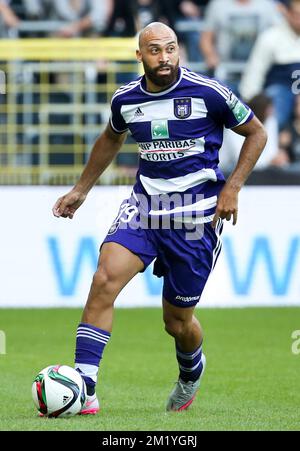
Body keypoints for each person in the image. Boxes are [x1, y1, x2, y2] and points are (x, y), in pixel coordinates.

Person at [52, 22, 267, 413]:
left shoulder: (209, 92)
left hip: (195, 219)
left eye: (170, 48)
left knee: (177, 322)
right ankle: (85, 387)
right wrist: (81, 189)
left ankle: (190, 374)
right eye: (154, 50)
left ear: (178, 50)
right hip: (146, 208)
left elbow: (257, 133)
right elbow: (111, 137)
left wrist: (232, 187)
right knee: (104, 279)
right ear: (140, 56)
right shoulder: (126, 99)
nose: (164, 57)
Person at [239, 0, 300, 130]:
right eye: (297, 14)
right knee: (275, 98)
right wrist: (253, 105)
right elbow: (254, 73)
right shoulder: (270, 37)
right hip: (279, 95)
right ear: (288, 13)